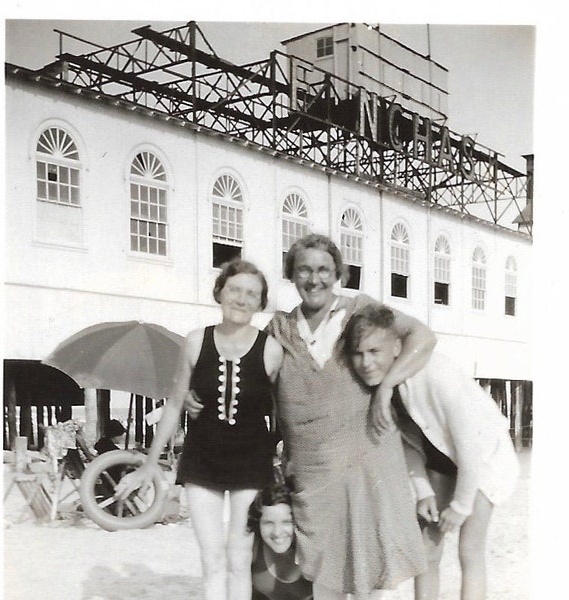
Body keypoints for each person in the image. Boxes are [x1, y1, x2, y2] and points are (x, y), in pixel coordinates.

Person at [188, 234, 436, 600]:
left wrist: (387, 387)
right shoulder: (278, 330)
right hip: (310, 471)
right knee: (324, 575)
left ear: (338, 274)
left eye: (323, 269)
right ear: (292, 274)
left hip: (367, 460)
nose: (314, 279)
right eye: (304, 269)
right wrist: (193, 395)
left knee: (370, 577)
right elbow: (246, 378)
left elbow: (423, 336)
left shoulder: (360, 311)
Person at [115, 258, 284, 600]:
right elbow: (175, 404)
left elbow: (283, 413)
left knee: (239, 558)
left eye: (252, 294)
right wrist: (149, 464)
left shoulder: (272, 350)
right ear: (220, 292)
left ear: (261, 302)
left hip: (252, 463)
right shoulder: (195, 341)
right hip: (202, 459)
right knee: (211, 559)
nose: (241, 299)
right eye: (234, 289)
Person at [340, 303, 519, 600]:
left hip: (485, 460)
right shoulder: (378, 391)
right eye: (358, 354)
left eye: (374, 352)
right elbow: (408, 445)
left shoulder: (438, 375)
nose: (366, 362)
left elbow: (471, 448)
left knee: (469, 549)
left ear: (397, 347)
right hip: (443, 460)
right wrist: (423, 492)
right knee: (425, 551)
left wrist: (460, 507)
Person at [247, 482, 313, 600]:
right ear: (258, 523)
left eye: (286, 522)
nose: (277, 532)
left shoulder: (311, 549)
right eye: (268, 523)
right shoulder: (252, 547)